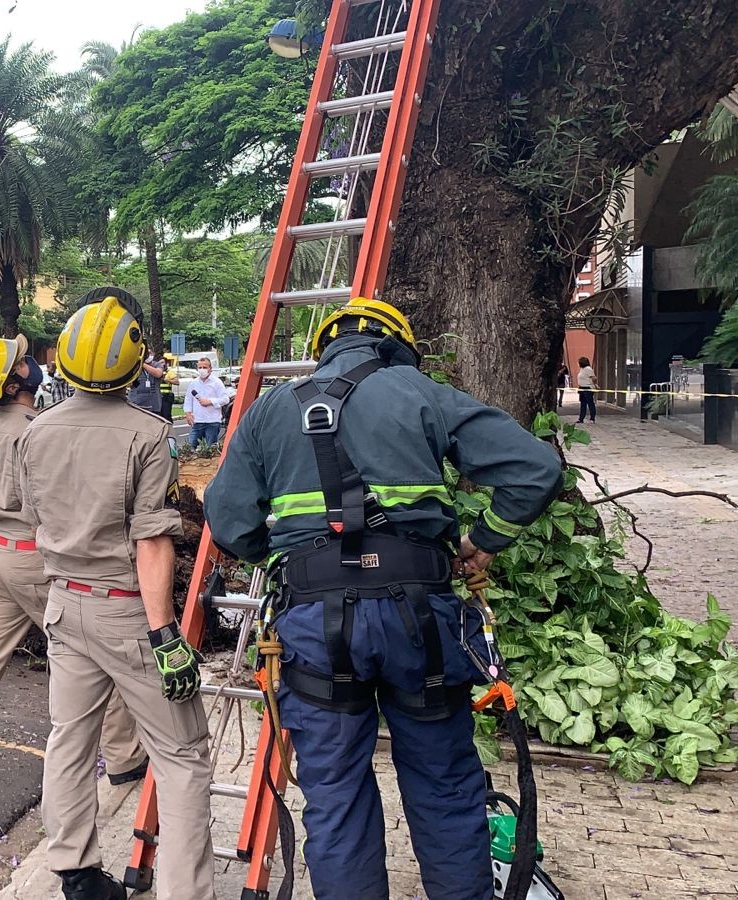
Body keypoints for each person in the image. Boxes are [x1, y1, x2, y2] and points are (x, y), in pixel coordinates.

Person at [202, 297, 563, 900]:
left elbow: (228, 518)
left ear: (325, 347)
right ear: (397, 346)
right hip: (416, 619)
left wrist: (293, 560)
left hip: (315, 625)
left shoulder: (270, 410)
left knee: (336, 797)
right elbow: (535, 470)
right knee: (445, 786)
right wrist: (483, 542)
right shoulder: (420, 392)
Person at [17, 287, 214, 900]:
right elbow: (152, 541)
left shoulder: (35, 431)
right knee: (182, 757)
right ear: (134, 366)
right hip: (127, 613)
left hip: (62, 607)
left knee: (69, 740)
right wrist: (165, 636)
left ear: (65, 361)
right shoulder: (149, 434)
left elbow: (33, 517)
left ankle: (74, 871)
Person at [0, 335, 147, 790]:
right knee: (97, 651)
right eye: (24, 361)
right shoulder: (36, 430)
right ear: (17, 378)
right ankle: (124, 758)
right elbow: (51, 503)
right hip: (35, 561)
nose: (33, 363)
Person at [183, 357, 231, 450]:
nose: (202, 370)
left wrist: (210, 401)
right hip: (197, 421)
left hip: (212, 421)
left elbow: (225, 399)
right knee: (189, 448)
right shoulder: (194, 383)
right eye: (200, 367)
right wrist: (187, 413)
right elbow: (188, 399)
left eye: (204, 367)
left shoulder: (216, 382)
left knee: (211, 449)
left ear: (210, 369)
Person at [157, 352, 179, 421]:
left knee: (166, 415)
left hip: (166, 397)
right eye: (160, 363)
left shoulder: (169, 372)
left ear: (166, 364)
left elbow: (177, 382)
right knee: (158, 416)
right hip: (157, 397)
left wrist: (168, 380)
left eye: (163, 362)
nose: (161, 364)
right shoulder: (156, 372)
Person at [576, 356, 597, 424]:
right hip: (582, 388)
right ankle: (581, 418)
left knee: (590, 403)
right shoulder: (582, 369)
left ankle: (592, 418)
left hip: (587, 388)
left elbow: (594, 378)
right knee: (583, 404)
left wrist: (595, 384)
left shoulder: (588, 369)